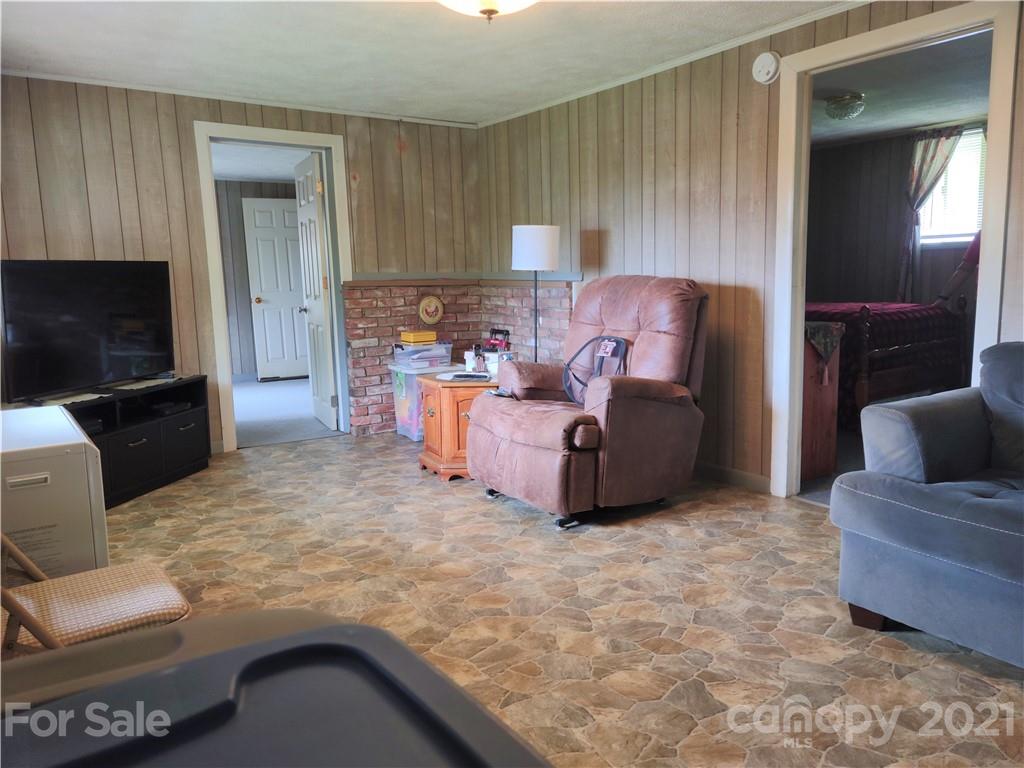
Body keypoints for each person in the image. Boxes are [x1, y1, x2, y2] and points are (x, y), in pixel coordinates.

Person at [933, 229, 980, 307]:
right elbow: (964, 269)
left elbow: (964, 269)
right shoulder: (984, 235)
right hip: (985, 296)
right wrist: (942, 298)